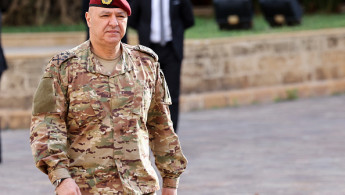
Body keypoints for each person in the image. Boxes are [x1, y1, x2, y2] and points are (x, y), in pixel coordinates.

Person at [30, 0, 187, 194]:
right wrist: (61, 178)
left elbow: (161, 125)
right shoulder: (64, 67)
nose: (113, 22)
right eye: (105, 15)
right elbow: (47, 125)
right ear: (88, 19)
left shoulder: (146, 64)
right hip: (86, 188)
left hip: (139, 187)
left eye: (120, 16)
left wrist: (171, 182)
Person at [128, 0, 194, 132]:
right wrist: (144, 31)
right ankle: (149, 132)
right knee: (147, 93)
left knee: (172, 94)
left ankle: (171, 133)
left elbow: (188, 19)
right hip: (149, 50)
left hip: (172, 50)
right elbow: (132, 19)